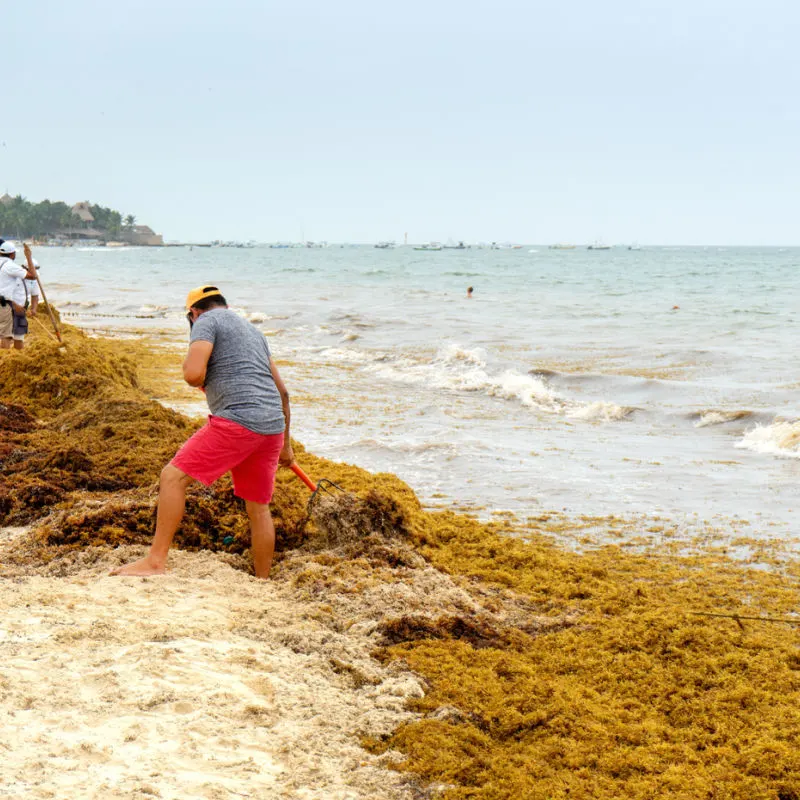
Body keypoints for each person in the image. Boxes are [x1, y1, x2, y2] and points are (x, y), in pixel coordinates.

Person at [111, 285, 294, 579]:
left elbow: (193, 374)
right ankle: (263, 579)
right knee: (258, 510)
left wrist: (196, 368)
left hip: (238, 420)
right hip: (272, 426)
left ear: (194, 313)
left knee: (172, 477)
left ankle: (155, 562)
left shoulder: (207, 321)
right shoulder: (253, 332)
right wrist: (286, 445)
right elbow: (283, 392)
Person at [0, 241, 37, 350]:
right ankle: (5, 363)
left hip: (5, 302)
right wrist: (29, 257)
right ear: (12, 254)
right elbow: (33, 276)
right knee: (5, 336)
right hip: (3, 304)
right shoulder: (10, 266)